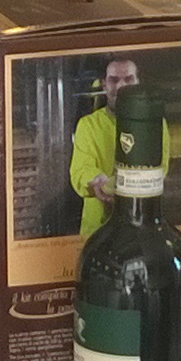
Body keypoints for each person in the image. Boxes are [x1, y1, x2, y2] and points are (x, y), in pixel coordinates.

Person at [69, 58, 140, 239]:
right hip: (97, 233)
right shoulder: (88, 126)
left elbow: (159, 168)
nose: (121, 86)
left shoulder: (155, 124)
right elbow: (81, 170)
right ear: (104, 85)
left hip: (141, 229)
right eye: (114, 80)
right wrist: (97, 181)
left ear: (138, 83)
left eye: (128, 79)